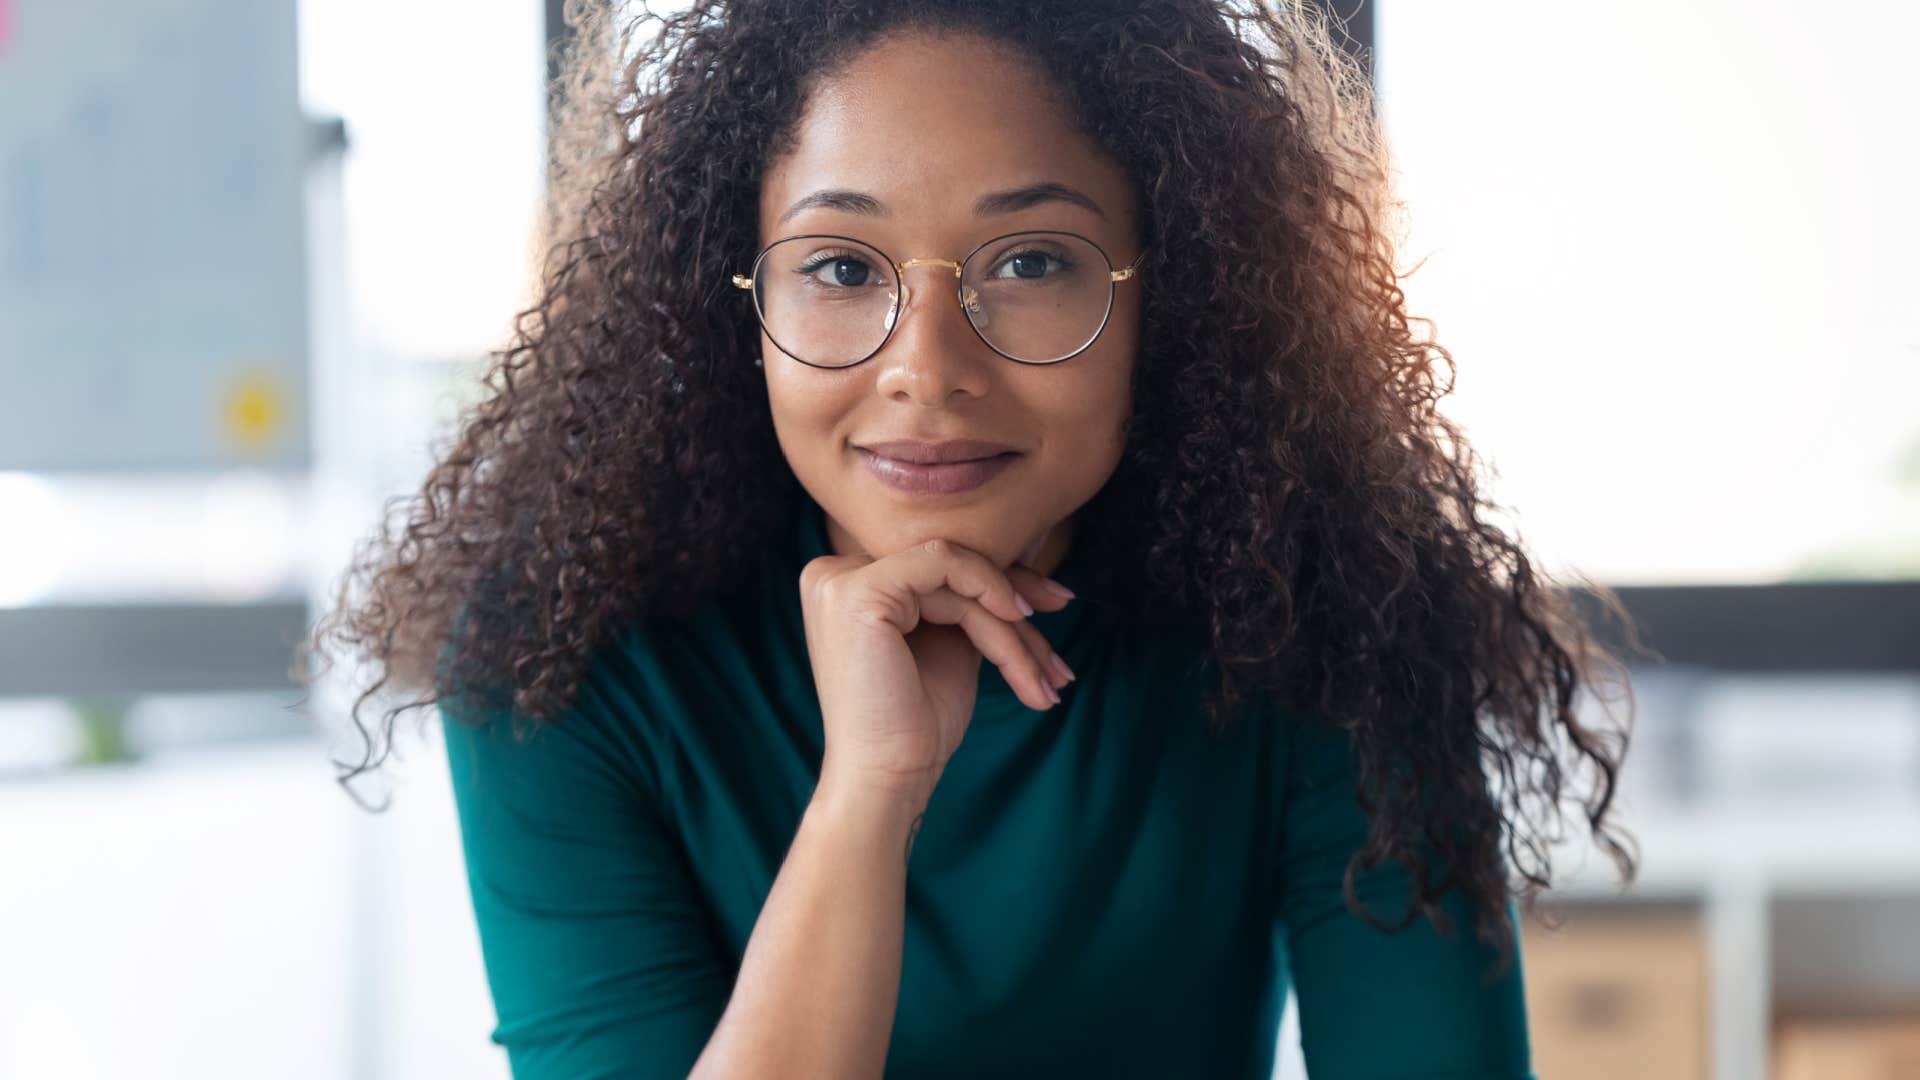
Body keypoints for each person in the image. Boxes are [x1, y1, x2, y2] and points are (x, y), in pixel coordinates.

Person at [304, 1, 1643, 1076]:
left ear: (1168, 298)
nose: (926, 368)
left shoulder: (1332, 618)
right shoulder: (558, 656)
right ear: (736, 304)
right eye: (840, 270)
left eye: (1032, 261)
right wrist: (869, 792)